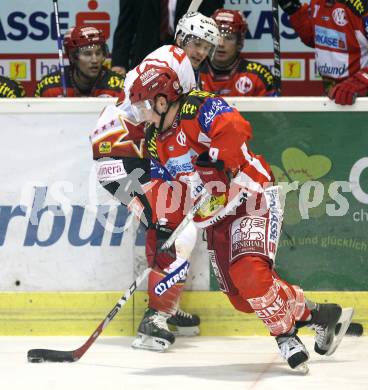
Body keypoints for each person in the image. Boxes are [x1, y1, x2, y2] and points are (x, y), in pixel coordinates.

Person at [128, 64, 354, 372]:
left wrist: (219, 159)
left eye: (144, 104)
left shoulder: (198, 106)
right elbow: (167, 188)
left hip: (251, 197)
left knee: (250, 274)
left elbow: (234, 127)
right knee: (243, 300)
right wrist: (163, 224)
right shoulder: (155, 139)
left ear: (163, 100)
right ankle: (318, 314)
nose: (143, 114)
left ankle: (285, 336)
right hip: (215, 218)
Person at [90, 12, 221, 351]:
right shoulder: (169, 58)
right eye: (196, 42)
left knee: (169, 225)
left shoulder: (185, 70)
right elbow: (138, 95)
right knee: (166, 226)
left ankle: (164, 305)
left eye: (208, 46)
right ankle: (154, 318)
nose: (201, 50)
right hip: (119, 155)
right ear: (182, 38)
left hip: (130, 154)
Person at [277, 0, 368, 105]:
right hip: (331, 93)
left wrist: (361, 80)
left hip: (360, 97)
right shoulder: (317, 2)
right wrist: (294, 11)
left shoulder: (362, 6)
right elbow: (314, 38)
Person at [111, 0, 224, 77]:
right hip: (144, 56)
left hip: (188, 57)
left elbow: (213, 20)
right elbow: (125, 25)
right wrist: (119, 63)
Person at [199, 9, 275, 96]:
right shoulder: (194, 71)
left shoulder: (258, 76)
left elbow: (273, 109)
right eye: (217, 36)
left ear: (239, 43)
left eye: (229, 38)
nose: (221, 44)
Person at [35, 25, 124, 98]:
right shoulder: (49, 87)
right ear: (72, 57)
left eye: (98, 53)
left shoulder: (119, 86)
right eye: (87, 54)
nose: (95, 60)